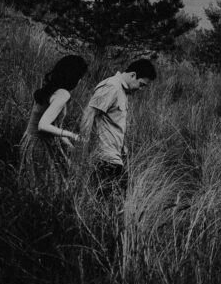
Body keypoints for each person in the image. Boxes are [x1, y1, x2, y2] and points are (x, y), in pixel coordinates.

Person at [82, 58, 157, 196]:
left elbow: (111, 122)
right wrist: (82, 149)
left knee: (116, 201)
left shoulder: (123, 91)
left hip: (114, 156)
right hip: (104, 157)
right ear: (133, 75)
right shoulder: (112, 86)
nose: (140, 89)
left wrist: (122, 146)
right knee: (110, 202)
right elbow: (89, 114)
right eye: (141, 84)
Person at [18, 54, 89, 187]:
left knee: (34, 185)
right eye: (80, 77)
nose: (80, 81)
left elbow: (55, 126)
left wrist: (68, 144)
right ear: (73, 77)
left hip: (29, 140)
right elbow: (43, 125)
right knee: (50, 186)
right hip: (40, 144)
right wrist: (73, 135)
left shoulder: (49, 88)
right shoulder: (63, 94)